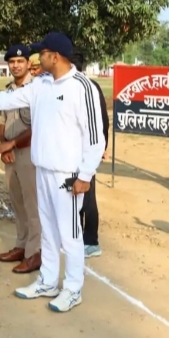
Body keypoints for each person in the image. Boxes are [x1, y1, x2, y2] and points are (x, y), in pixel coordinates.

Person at [0, 32, 105, 312]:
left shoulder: (82, 87)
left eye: (41, 54)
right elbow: (5, 100)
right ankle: (47, 282)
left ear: (55, 56)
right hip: (42, 169)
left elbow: (95, 137)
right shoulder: (40, 84)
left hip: (68, 175)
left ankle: (72, 289)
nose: (36, 59)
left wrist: (85, 175)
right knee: (48, 233)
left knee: (70, 235)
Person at [0, 44, 42, 274]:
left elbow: (38, 127)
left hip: (30, 154)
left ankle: (35, 254)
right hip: (11, 155)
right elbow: (3, 122)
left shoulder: (37, 90)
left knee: (33, 206)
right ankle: (21, 246)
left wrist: (11, 144)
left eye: (20, 61)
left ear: (29, 64)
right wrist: (4, 146)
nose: (15, 65)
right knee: (17, 202)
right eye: (12, 62)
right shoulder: (9, 91)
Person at [69, 51, 109, 258]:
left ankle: (91, 241)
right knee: (73, 195)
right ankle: (76, 237)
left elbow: (102, 122)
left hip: (86, 153)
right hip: (71, 153)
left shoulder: (89, 87)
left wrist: (100, 149)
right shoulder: (70, 87)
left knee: (87, 198)